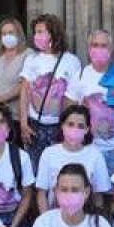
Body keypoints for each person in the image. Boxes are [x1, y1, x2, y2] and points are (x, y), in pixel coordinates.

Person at [64, 29, 114, 174]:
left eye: (103, 45)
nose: (99, 49)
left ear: (111, 49)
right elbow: (68, 111)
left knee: (113, 194)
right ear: (88, 49)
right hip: (85, 148)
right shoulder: (80, 75)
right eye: (95, 45)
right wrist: (73, 142)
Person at [19, 13, 81, 168]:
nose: (36, 36)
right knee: (34, 168)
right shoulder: (32, 59)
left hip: (59, 125)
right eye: (35, 32)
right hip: (35, 125)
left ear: (53, 33)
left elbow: (73, 97)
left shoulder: (71, 61)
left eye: (41, 32)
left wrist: (66, 126)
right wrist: (23, 124)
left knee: (58, 168)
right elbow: (24, 92)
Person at [34, 105, 112, 212]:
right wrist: (47, 222)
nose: (75, 129)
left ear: (87, 130)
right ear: (62, 126)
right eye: (70, 124)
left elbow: (98, 196)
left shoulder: (95, 155)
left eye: (80, 126)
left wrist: (94, 221)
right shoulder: (49, 154)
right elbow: (42, 193)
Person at [0, 17, 33, 123]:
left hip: (16, 112)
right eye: (4, 33)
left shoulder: (28, 54)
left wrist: (4, 98)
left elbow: (25, 82)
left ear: (19, 34)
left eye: (11, 32)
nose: (7, 36)